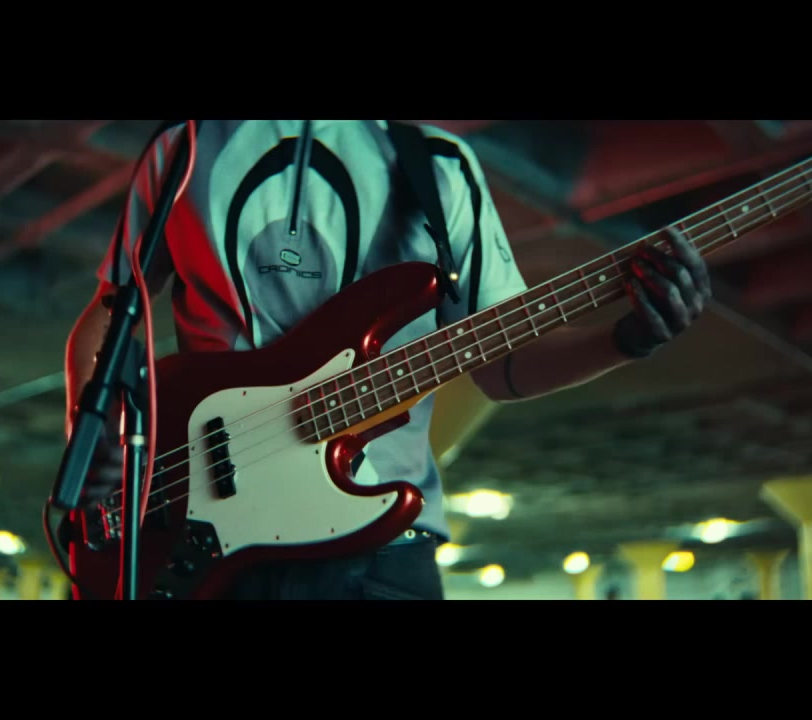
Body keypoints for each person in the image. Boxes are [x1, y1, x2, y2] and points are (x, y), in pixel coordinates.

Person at [64, 120, 712, 600]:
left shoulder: (438, 166)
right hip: (202, 538)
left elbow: (502, 364)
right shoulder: (185, 144)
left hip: (378, 554)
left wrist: (625, 338)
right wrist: (93, 431)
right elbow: (112, 312)